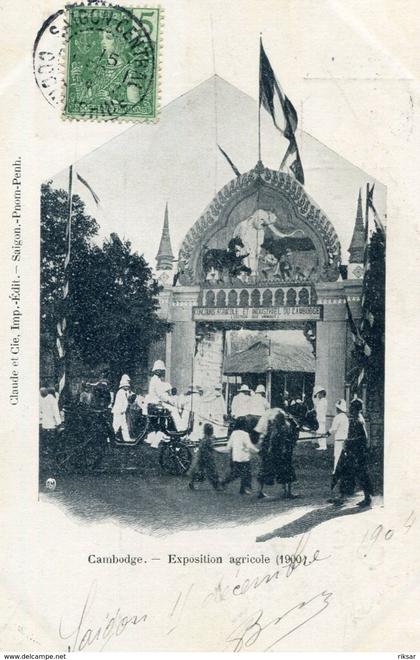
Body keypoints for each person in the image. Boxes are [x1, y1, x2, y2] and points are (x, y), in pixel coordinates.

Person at [258, 408, 298, 499]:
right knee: (287, 471)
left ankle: (260, 491)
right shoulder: (286, 427)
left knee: (265, 470)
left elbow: (268, 441)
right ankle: (287, 492)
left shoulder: (272, 427)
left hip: (273, 453)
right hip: (282, 453)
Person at [221, 417, 259, 494]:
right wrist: (257, 451)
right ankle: (243, 489)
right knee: (246, 474)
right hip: (244, 457)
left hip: (236, 457)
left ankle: (224, 482)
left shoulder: (234, 433)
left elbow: (229, 446)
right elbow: (249, 446)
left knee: (235, 474)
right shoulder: (245, 434)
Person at [188, 423, 221, 491]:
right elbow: (209, 447)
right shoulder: (208, 439)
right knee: (212, 471)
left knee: (201, 471)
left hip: (202, 456)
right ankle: (216, 485)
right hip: (206, 457)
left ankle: (192, 482)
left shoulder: (206, 438)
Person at [327, 399, 349, 472]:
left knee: (337, 456)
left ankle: (335, 471)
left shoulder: (337, 417)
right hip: (345, 440)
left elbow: (333, 429)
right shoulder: (346, 418)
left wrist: (327, 433)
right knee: (344, 456)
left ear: (338, 408)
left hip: (339, 440)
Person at [39, 386, 62, 457]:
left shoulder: (45, 399)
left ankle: (47, 451)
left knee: (46, 438)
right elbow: (56, 412)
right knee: (52, 439)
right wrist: (59, 423)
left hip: (46, 423)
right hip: (51, 424)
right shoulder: (52, 399)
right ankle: (51, 452)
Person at [112, 374, 133, 442]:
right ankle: (111, 438)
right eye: (126, 386)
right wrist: (121, 410)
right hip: (118, 412)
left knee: (124, 426)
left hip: (122, 412)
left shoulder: (125, 392)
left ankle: (126, 439)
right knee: (116, 425)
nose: (127, 387)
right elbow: (120, 403)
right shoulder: (120, 392)